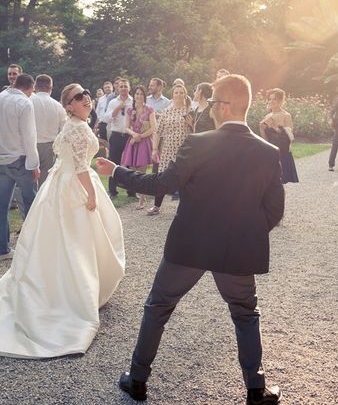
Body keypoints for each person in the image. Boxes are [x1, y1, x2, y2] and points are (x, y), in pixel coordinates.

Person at [96, 74, 285, 405]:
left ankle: (137, 380)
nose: (209, 109)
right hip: (236, 251)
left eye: (212, 103)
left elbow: (161, 184)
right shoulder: (267, 152)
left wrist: (117, 172)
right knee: (245, 313)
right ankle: (256, 389)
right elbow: (274, 210)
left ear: (224, 107)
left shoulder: (200, 143)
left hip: (189, 245)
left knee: (158, 307)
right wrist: (243, 233)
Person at [0, 83, 125, 358]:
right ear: (69, 105)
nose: (85, 99)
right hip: (74, 187)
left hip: (60, 185)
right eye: (78, 97)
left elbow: (68, 159)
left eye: (86, 94)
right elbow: (82, 166)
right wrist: (90, 195)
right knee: (78, 242)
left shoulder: (72, 123)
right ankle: (72, 294)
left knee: (63, 242)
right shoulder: (78, 127)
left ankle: (68, 286)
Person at [0, 73, 40, 260]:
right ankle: (36, 247)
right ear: (30, 87)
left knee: (1, 205)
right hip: (20, 159)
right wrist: (34, 163)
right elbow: (29, 136)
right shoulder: (25, 103)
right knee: (31, 203)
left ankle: (0, 249)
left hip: (0, 158)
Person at [147, 81, 192, 215]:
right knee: (163, 178)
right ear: (172, 95)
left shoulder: (189, 111)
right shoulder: (166, 111)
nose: (178, 95)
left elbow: (197, 133)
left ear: (185, 95)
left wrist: (192, 125)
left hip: (185, 151)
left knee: (186, 179)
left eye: (181, 92)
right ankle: (156, 206)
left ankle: (185, 208)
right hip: (167, 150)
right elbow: (157, 132)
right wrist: (155, 149)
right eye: (176, 92)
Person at [121, 85, 157, 210]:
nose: (139, 96)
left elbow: (153, 128)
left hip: (144, 142)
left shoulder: (150, 110)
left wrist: (140, 136)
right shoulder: (130, 110)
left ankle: (141, 199)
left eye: (141, 94)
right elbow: (126, 127)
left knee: (142, 172)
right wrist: (134, 135)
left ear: (144, 96)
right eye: (137, 93)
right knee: (133, 172)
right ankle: (141, 193)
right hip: (132, 141)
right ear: (134, 95)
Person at [31, 74, 67, 187]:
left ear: (35, 86)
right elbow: (63, 130)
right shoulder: (58, 106)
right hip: (49, 146)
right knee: (46, 182)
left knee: (29, 180)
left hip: (30, 145)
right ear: (50, 88)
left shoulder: (27, 102)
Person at [259, 88, 299, 184]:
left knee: (280, 182)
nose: (271, 101)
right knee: (271, 182)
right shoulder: (267, 116)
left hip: (282, 153)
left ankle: (280, 199)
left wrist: (275, 127)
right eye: (270, 99)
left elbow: (290, 138)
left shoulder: (286, 115)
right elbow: (266, 140)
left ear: (281, 101)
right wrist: (261, 129)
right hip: (271, 153)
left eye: (274, 99)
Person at [106, 78, 135, 198]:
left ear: (129, 88)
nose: (123, 88)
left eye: (125, 86)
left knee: (130, 164)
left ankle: (131, 191)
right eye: (121, 86)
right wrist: (118, 108)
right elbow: (106, 118)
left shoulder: (133, 101)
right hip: (116, 135)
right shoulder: (113, 102)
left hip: (129, 136)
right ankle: (112, 191)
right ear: (117, 88)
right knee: (113, 162)